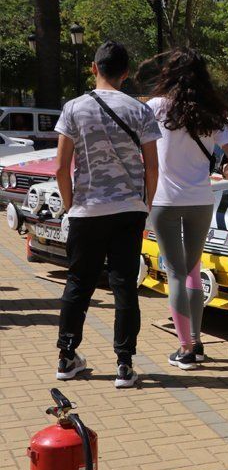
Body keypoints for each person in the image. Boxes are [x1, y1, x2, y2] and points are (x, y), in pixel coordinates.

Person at [54, 41, 161, 388]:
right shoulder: (140, 110)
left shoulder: (73, 109)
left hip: (87, 210)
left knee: (78, 283)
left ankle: (67, 356)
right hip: (128, 210)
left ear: (93, 67)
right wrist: (145, 205)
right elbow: (152, 168)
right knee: (124, 287)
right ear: (126, 74)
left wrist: (71, 206)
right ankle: (125, 365)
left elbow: (60, 168)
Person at [146, 48, 228, 370]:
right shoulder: (212, 114)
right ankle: (197, 343)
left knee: (175, 273)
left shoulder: (156, 108)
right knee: (192, 271)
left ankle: (186, 348)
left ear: (169, 74)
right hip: (201, 200)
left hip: (165, 202)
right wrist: (225, 172)